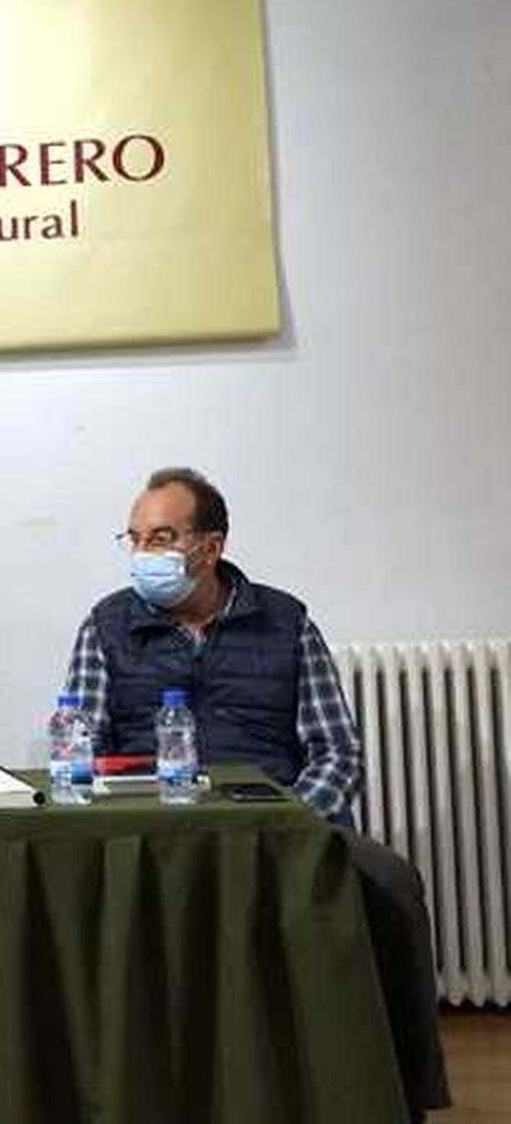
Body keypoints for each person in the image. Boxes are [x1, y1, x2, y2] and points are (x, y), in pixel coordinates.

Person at [63, 466, 449, 1121]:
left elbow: (337, 750)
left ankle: (400, 1096)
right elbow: (80, 751)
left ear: (210, 547)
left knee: (392, 884)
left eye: (161, 537)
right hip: (154, 833)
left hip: (282, 824)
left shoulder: (285, 621)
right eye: (134, 538)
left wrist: (290, 824)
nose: (143, 553)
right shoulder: (107, 625)